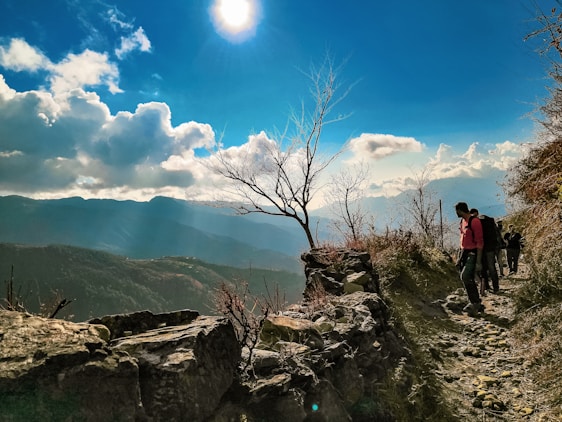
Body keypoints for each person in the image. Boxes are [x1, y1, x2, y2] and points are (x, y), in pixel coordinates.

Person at [455, 202, 484, 316]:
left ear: (460, 210)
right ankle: (475, 302)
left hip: (473, 253)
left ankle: (475, 302)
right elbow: (462, 239)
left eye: (457, 211)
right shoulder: (462, 222)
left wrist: (478, 262)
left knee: (465, 276)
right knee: (467, 278)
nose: (456, 213)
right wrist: (459, 257)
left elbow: (480, 242)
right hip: (464, 253)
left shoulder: (475, 222)